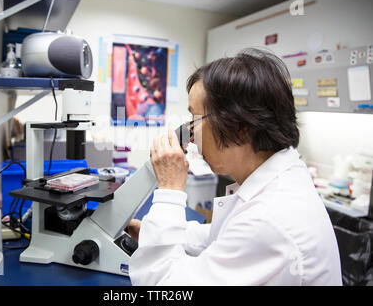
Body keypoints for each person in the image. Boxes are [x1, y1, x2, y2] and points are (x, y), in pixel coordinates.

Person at [127, 48, 342, 286]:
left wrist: (169, 190)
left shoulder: (269, 219)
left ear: (240, 126)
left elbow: (161, 283)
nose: (189, 134)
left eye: (195, 120)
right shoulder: (277, 180)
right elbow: (222, 237)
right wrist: (151, 232)